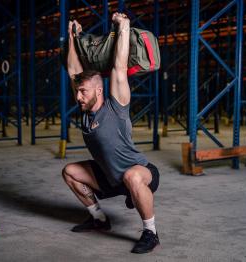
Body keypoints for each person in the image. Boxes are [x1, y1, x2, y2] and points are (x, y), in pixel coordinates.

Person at [62, 13, 160, 254]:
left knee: (132, 178)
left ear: (98, 89)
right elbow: (73, 68)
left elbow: (119, 66)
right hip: (110, 177)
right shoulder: (84, 109)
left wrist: (123, 25)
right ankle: (100, 220)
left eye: (83, 91)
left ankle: (151, 233)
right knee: (70, 172)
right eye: (77, 91)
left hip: (139, 171)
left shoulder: (116, 106)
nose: (78, 96)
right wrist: (73, 35)